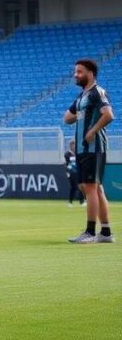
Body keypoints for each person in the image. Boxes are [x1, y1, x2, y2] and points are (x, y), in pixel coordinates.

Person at [64, 59, 114, 243]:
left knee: (90, 188)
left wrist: (92, 130)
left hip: (94, 148)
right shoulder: (81, 97)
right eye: (75, 71)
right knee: (95, 188)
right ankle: (106, 232)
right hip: (84, 149)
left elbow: (108, 114)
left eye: (80, 72)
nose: (76, 75)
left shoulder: (96, 93)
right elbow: (67, 118)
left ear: (91, 73)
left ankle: (90, 232)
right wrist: (81, 113)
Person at [64, 141, 85, 207]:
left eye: (74, 145)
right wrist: (67, 172)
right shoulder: (67, 153)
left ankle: (82, 201)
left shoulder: (79, 152)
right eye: (72, 145)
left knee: (81, 186)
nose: (73, 146)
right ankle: (70, 202)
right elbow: (66, 164)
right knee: (73, 187)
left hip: (79, 172)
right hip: (72, 172)